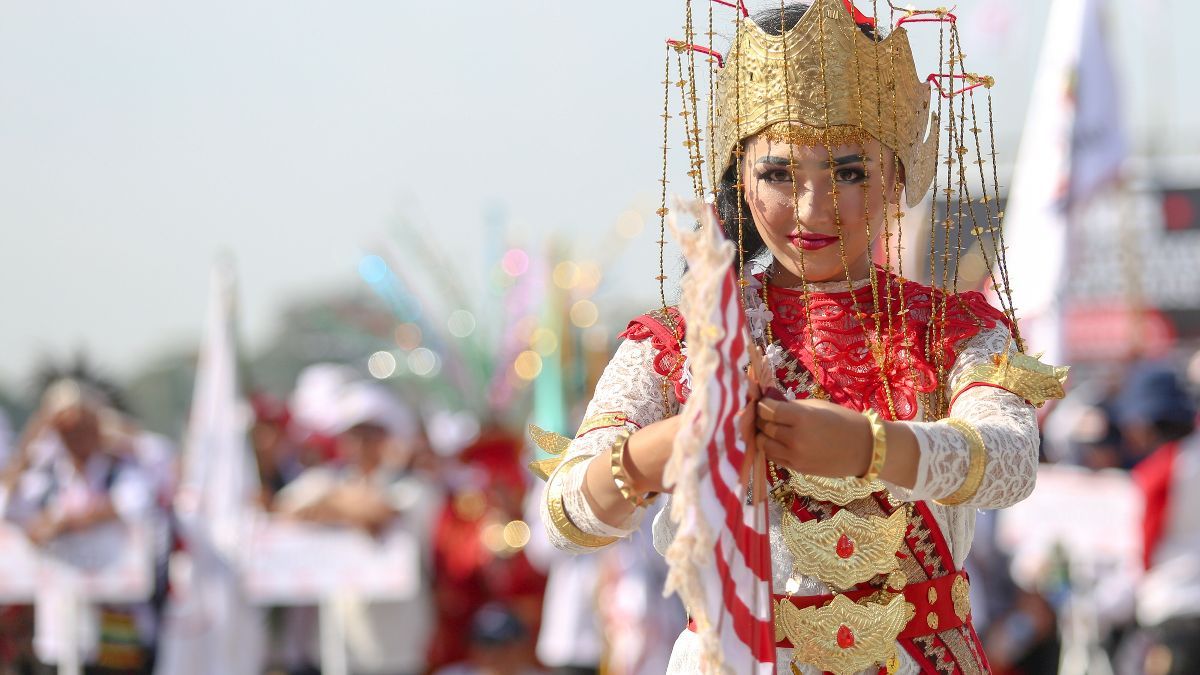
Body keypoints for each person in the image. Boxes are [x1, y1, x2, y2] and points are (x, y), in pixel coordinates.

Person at [537, 1, 1066, 672]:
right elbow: (565, 515)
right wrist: (677, 440)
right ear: (740, 176)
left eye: (848, 172)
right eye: (780, 174)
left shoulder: (953, 332)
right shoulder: (685, 343)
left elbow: (1012, 461)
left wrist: (869, 447)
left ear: (898, 174)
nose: (814, 208)